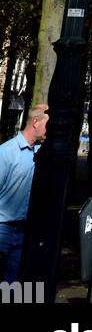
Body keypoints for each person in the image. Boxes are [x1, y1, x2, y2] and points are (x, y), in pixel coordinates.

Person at [0, 103, 49, 283]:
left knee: (15, 282)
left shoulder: (40, 153)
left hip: (24, 228)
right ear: (35, 122)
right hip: (2, 227)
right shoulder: (6, 153)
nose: (49, 130)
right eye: (47, 124)